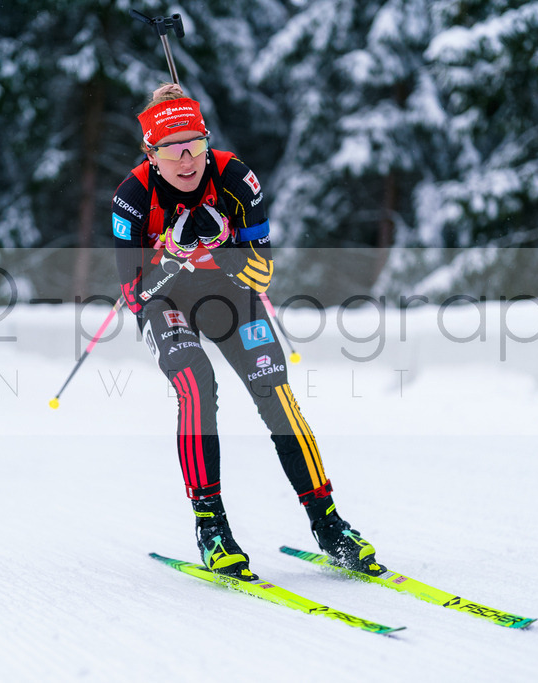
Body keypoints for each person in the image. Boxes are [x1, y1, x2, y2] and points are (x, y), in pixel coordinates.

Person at [111, 84, 384, 580]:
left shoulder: (235, 176)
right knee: (198, 387)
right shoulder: (132, 198)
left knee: (275, 392)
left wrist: (222, 247)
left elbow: (262, 273)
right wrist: (171, 258)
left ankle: (328, 524)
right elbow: (134, 294)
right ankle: (212, 528)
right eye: (171, 149)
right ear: (150, 154)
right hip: (166, 302)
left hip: (228, 296)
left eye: (194, 144)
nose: (187, 159)